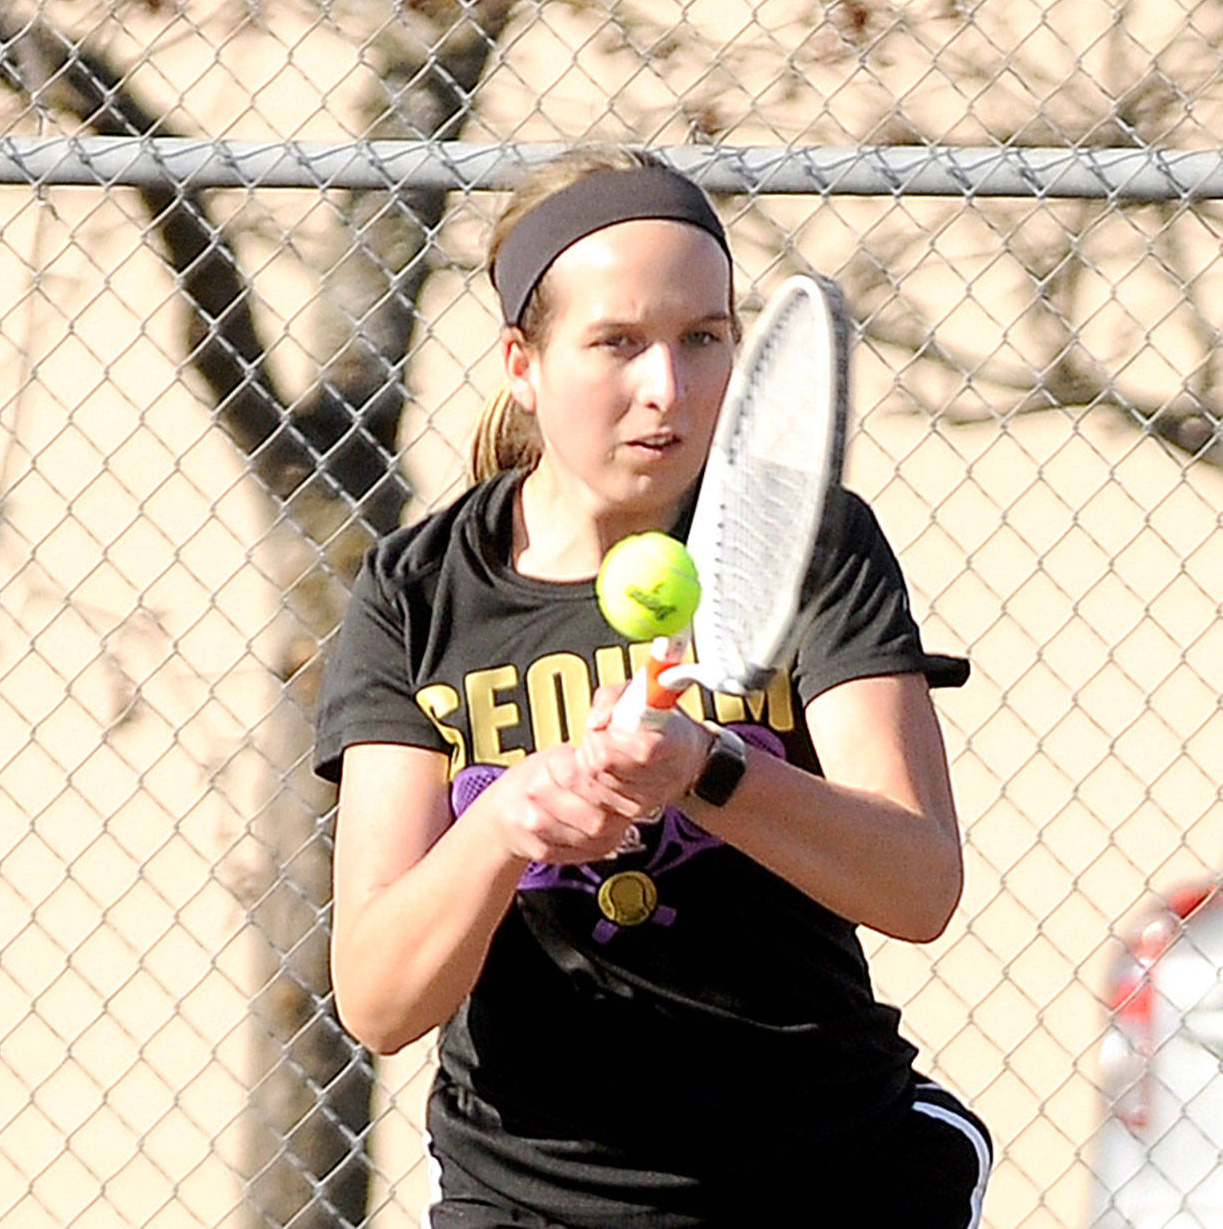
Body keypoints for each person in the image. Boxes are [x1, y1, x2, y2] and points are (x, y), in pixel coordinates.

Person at [314, 145, 993, 1227]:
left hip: (817, 1177)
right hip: (526, 1195)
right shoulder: (416, 594)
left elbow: (917, 884)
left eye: (702, 338)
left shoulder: (810, 541)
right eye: (616, 342)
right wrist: (505, 825)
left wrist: (706, 767)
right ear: (520, 363)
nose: (665, 389)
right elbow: (381, 997)